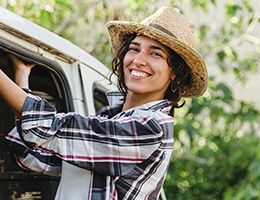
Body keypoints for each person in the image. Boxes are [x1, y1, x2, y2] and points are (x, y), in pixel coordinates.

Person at [1, 6, 208, 200]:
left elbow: (48, 128)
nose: (139, 60)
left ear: (174, 73)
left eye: (155, 53)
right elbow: (34, 156)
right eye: (134, 49)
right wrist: (22, 76)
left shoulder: (152, 128)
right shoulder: (108, 119)